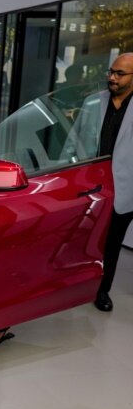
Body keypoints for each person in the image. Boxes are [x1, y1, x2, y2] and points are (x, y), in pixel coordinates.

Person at [90, 53, 133, 312]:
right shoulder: (93, 103)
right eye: (111, 72)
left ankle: (102, 291)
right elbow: (76, 142)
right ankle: (84, 286)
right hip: (96, 187)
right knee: (92, 241)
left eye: (119, 74)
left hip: (127, 190)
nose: (112, 78)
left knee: (113, 244)